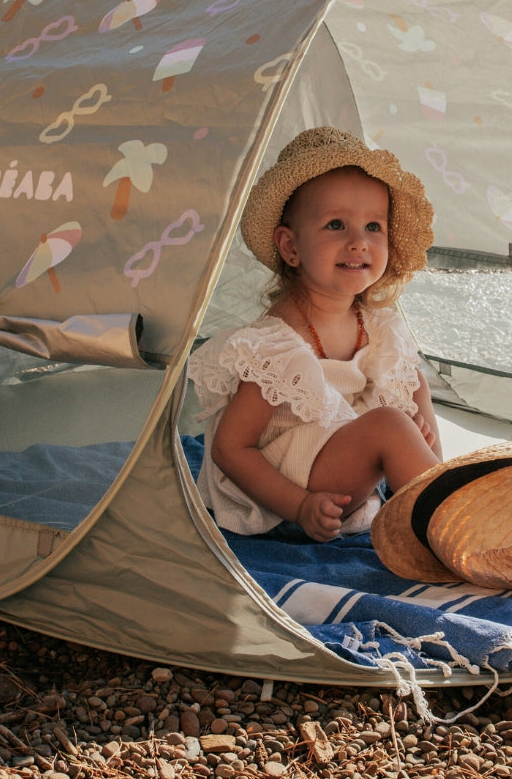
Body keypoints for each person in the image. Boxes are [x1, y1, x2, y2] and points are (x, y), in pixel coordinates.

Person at [188, 126, 442, 542]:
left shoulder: (375, 326)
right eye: (336, 224)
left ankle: (436, 486)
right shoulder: (276, 344)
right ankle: (445, 520)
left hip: (338, 460)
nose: (359, 242)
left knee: (413, 384)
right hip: (286, 484)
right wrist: (298, 505)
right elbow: (230, 449)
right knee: (390, 426)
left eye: (373, 226)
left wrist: (418, 431)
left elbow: (382, 403)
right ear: (291, 247)